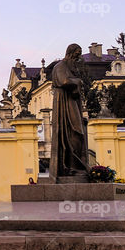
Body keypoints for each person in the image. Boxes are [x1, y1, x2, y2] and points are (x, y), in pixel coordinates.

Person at [50, 43, 90, 181]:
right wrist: (78, 81)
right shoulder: (60, 66)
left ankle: (77, 167)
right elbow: (64, 81)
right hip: (64, 103)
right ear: (70, 53)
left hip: (72, 103)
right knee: (74, 132)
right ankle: (71, 167)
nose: (78, 58)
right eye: (76, 55)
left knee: (78, 133)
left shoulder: (69, 67)